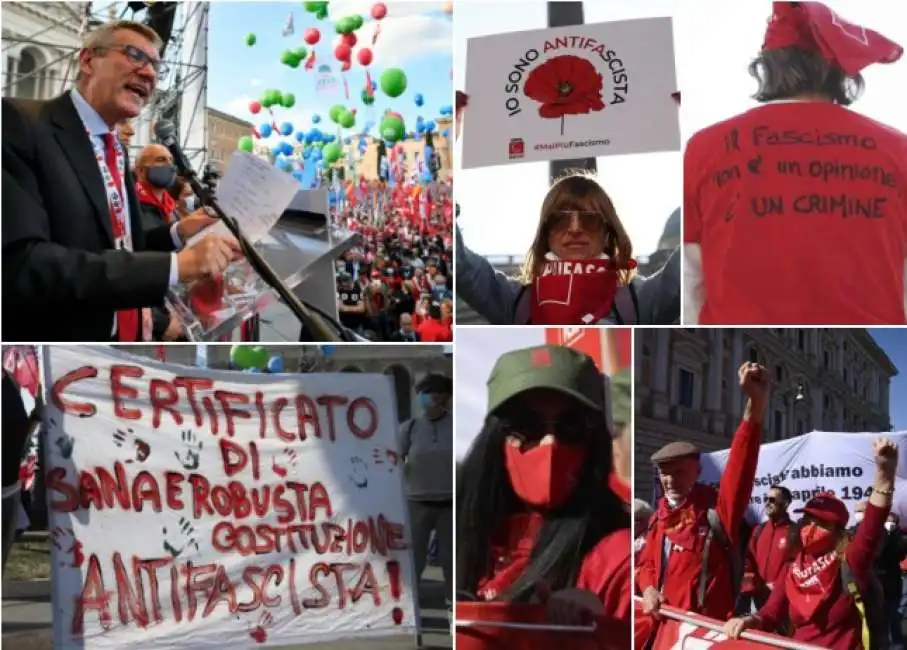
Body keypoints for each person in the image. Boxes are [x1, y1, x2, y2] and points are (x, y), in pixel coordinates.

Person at [2, 20, 240, 342]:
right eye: (134, 56)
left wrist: (176, 232)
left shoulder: (114, 148)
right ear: (88, 61)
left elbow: (119, 245)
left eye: (156, 66)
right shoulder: (20, 123)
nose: (150, 74)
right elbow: (23, 265)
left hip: (125, 344)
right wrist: (173, 267)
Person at [684, 2, 907, 325]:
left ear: (767, 67)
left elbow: (691, 280)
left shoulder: (704, 147)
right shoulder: (898, 148)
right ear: (839, 69)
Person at [455, 91, 680, 326]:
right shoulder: (516, 300)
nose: (574, 229)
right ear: (546, 233)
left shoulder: (639, 299)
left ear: (608, 232)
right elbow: (459, 265)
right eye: (560, 220)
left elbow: (692, 263)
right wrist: (455, 134)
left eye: (590, 220)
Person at [457, 345, 631, 642]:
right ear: (496, 438)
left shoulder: (617, 558)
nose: (550, 444)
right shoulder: (465, 531)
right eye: (528, 427)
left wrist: (597, 630)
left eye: (570, 427)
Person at [637, 362, 767, 649]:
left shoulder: (717, 510)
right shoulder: (658, 516)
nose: (669, 479)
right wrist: (647, 589)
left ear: (697, 471)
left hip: (707, 636)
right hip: (665, 633)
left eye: (678, 472)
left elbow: (741, 466)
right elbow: (646, 563)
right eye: (664, 472)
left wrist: (754, 405)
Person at [725, 439, 899, 650]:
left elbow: (871, 525)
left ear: (838, 532)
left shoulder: (850, 561)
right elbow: (771, 612)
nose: (811, 529)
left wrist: (885, 474)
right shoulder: (792, 569)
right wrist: (749, 620)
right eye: (807, 521)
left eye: (822, 524)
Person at [398, 374, 453, 613]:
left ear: (444, 397)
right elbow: (392, 459)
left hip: (449, 504)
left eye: (432, 392)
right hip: (416, 502)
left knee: (451, 562)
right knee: (413, 559)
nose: (426, 397)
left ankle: (453, 610)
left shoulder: (455, 426)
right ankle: (410, 610)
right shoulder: (410, 428)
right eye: (423, 392)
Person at [740, 485, 796, 616]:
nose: (767, 503)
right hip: (757, 598)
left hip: (783, 600)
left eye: (772, 500)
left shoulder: (795, 532)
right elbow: (748, 560)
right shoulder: (758, 530)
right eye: (766, 499)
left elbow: (796, 565)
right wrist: (753, 585)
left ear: (785, 504)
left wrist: (776, 587)